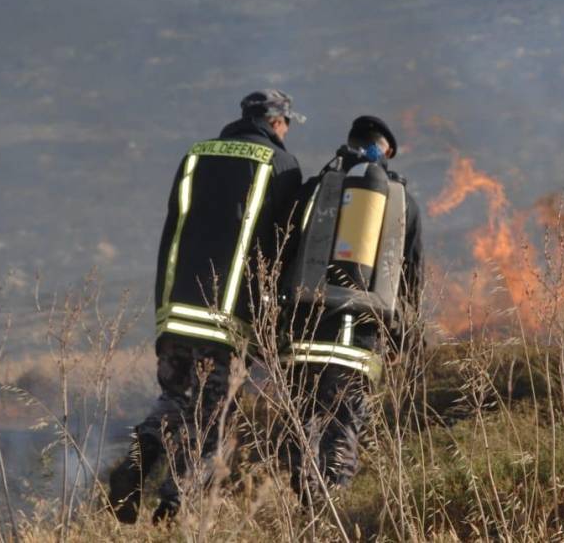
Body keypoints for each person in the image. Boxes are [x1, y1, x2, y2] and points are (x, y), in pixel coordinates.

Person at [108, 89, 305, 524]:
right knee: (213, 413)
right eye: (287, 124)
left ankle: (137, 462)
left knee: (176, 398)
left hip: (177, 312)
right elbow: (284, 246)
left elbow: (176, 225)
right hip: (227, 318)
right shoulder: (281, 165)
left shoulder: (196, 155)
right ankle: (177, 505)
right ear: (277, 122)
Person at [283, 115, 424, 501]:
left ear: (349, 143)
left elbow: (284, 251)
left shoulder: (316, 190)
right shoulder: (403, 205)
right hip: (360, 345)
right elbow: (412, 280)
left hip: (306, 335)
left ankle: (304, 494)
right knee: (342, 433)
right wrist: (404, 340)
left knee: (301, 425)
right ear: (387, 152)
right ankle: (328, 514)